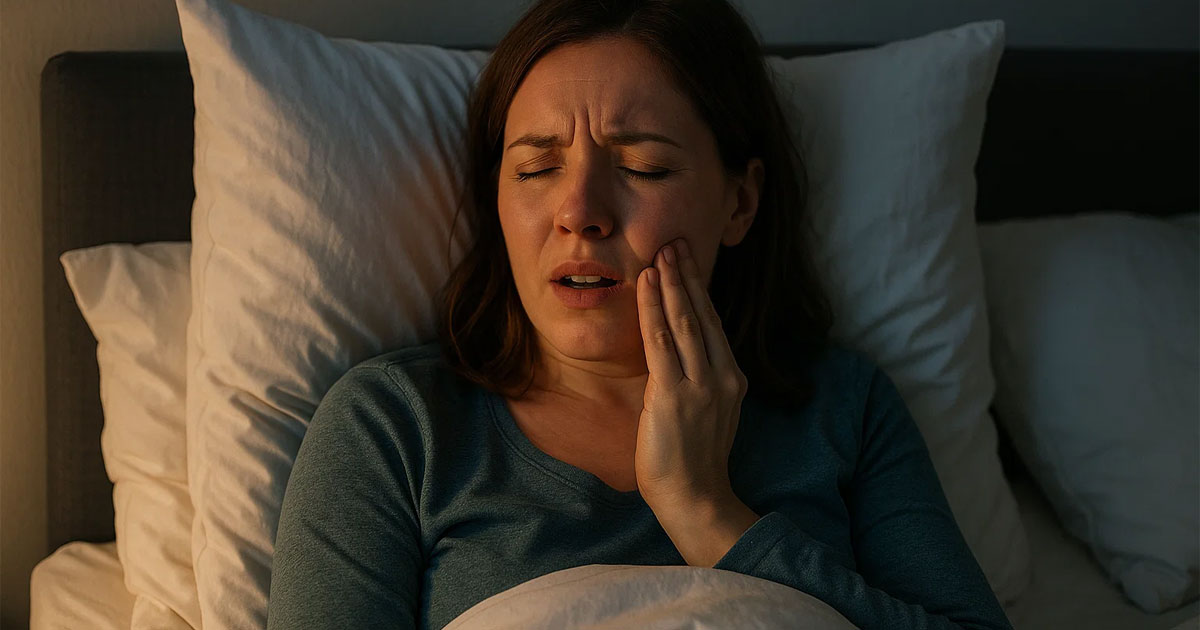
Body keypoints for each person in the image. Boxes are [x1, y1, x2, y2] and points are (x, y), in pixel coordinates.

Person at [267, 0, 1014, 628]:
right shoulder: (396, 427)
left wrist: (705, 511)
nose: (581, 214)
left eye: (642, 168)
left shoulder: (844, 410)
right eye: (536, 168)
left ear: (740, 201)